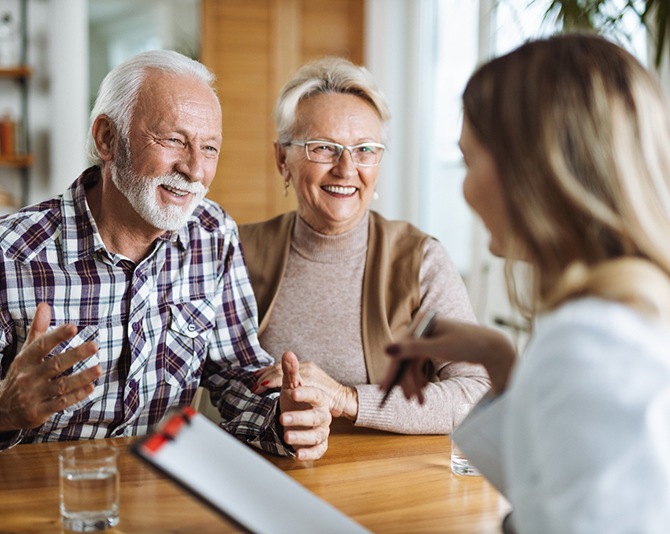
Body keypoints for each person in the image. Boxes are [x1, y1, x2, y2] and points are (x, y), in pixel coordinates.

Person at [383, 34, 670, 533]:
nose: (466, 190)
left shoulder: (592, 343)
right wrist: (501, 363)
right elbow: (560, 488)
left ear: (532, 170)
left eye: (469, 161)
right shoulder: (621, 319)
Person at [0, 50, 331, 460]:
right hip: (40, 500)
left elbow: (237, 374)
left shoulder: (212, 234)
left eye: (209, 148)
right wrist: (5, 410)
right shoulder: (11, 254)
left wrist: (283, 417)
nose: (194, 170)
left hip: (162, 492)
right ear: (107, 138)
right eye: (173, 139)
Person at [243, 57, 489, 434]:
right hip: (271, 472)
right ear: (282, 159)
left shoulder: (421, 260)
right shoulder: (235, 252)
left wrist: (346, 398)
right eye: (324, 147)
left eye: (365, 150)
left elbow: (478, 393)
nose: (346, 169)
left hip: (383, 483)